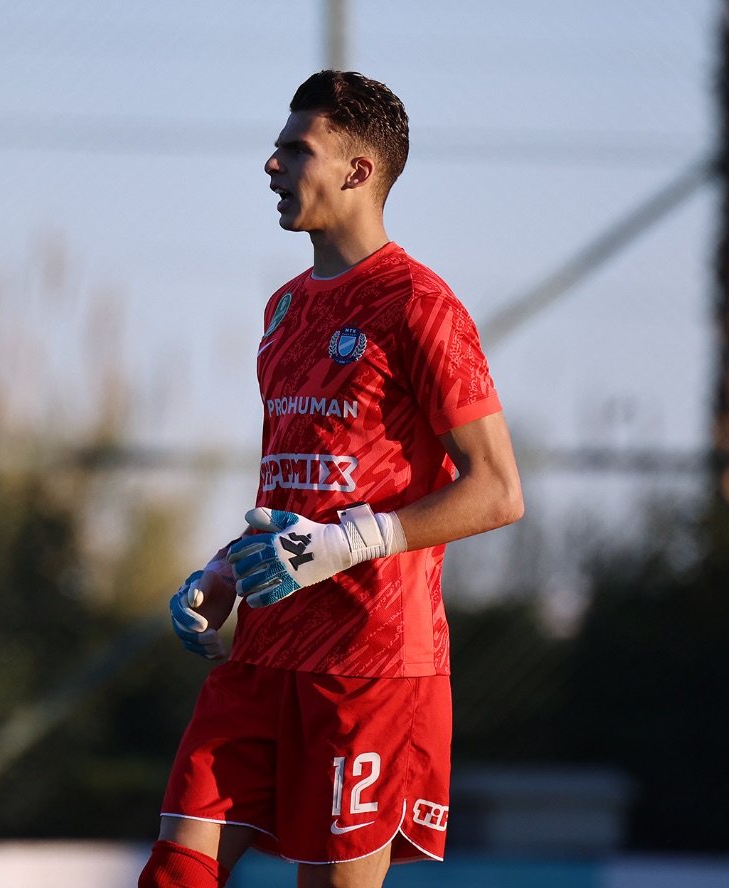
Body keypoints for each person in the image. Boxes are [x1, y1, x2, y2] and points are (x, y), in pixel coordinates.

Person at [140, 70, 524, 888]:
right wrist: (223, 571)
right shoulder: (284, 309)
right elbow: (295, 489)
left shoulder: (420, 305)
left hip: (367, 664)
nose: (272, 165)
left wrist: (354, 544)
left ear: (358, 170)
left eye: (296, 149)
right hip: (262, 652)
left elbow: (497, 489)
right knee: (175, 873)